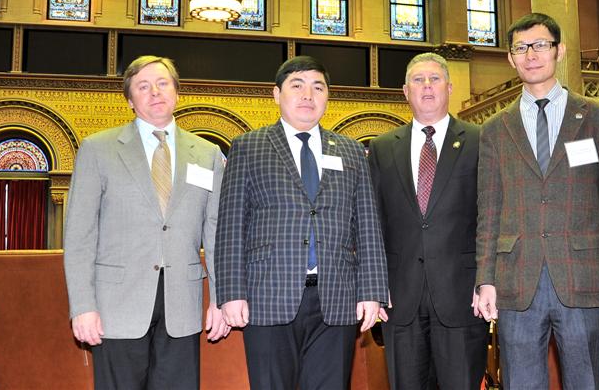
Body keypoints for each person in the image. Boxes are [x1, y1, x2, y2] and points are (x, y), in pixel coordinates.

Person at [475, 14, 599, 390]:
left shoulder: (597, 119)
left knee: (586, 381)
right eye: (521, 48)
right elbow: (489, 211)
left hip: (583, 275)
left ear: (559, 50)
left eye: (540, 45)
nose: (531, 54)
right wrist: (485, 280)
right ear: (511, 59)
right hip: (517, 278)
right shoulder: (495, 130)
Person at [215, 55, 388, 390]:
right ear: (277, 94)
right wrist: (231, 293)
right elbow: (231, 226)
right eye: (297, 85)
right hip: (267, 297)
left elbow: (367, 225)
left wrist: (373, 291)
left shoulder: (351, 151)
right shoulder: (248, 147)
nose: (308, 95)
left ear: (327, 97)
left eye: (318, 87)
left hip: (336, 298)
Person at [64, 55, 228, 389]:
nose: (155, 92)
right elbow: (80, 236)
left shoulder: (208, 153)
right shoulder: (98, 149)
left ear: (177, 93)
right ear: (130, 100)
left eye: (163, 83)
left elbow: (215, 235)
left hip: (183, 305)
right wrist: (82, 307)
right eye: (143, 86)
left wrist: (221, 300)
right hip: (116, 307)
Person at [368, 52, 489, 390]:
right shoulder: (381, 148)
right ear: (405, 91)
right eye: (418, 80)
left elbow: (491, 217)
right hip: (400, 299)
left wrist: (487, 280)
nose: (426, 87)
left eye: (434, 79)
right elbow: (372, 224)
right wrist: (375, 288)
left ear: (449, 87)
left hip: (463, 296)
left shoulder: (481, 141)